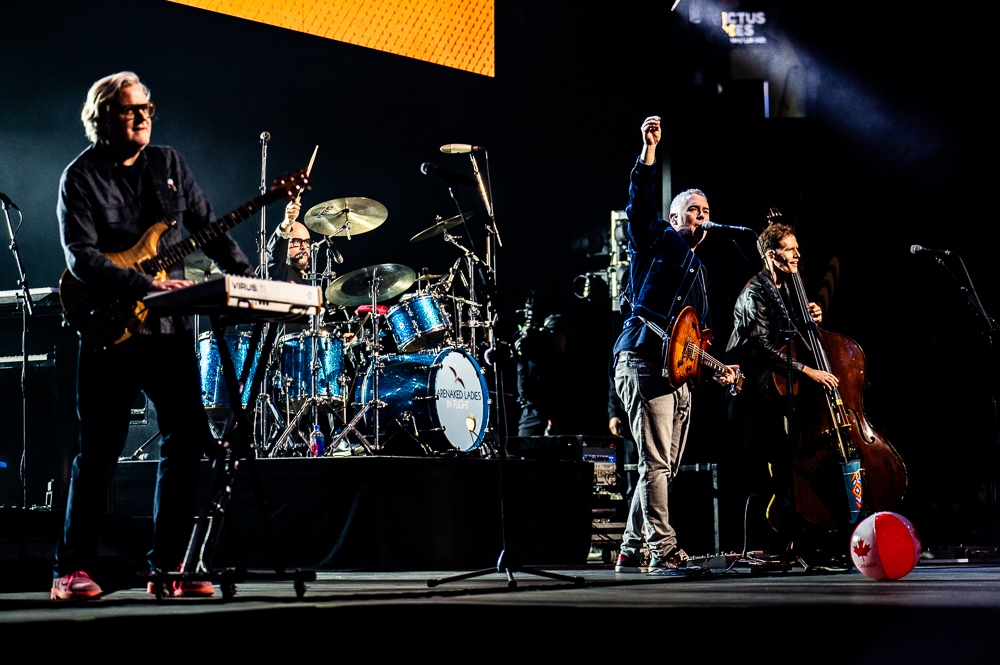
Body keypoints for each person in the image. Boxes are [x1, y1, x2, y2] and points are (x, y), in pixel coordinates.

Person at [53, 71, 256, 600]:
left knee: (185, 441)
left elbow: (209, 226)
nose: (142, 116)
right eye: (129, 110)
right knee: (99, 451)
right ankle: (70, 570)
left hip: (167, 328)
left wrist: (247, 281)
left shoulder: (169, 165)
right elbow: (81, 257)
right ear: (102, 119)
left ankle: (169, 567)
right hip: (107, 327)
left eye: (146, 107)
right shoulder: (80, 177)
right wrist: (143, 283)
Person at [612, 115, 739, 574]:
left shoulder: (701, 274)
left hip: (677, 373)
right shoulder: (656, 240)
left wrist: (720, 367)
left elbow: (697, 340)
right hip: (644, 357)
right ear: (674, 217)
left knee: (663, 466)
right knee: (656, 463)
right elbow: (639, 206)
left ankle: (629, 547)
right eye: (693, 210)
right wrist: (648, 153)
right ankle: (662, 550)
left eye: (706, 211)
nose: (701, 217)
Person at [723, 221, 838, 556]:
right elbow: (760, 347)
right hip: (745, 390)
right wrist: (808, 372)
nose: (797, 254)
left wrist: (809, 314)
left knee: (784, 464)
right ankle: (733, 547)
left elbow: (790, 332)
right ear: (772, 255)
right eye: (790, 249)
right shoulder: (754, 292)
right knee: (741, 469)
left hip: (772, 390)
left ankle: (787, 540)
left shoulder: (787, 288)